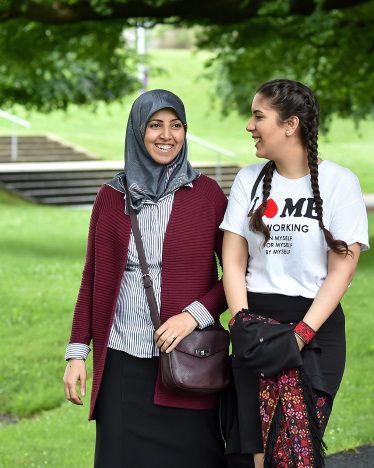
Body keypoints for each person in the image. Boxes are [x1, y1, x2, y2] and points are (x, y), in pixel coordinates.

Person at [62, 89, 229, 466]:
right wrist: (77, 354)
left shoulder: (206, 195)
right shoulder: (111, 196)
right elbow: (92, 279)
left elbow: (237, 274)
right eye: (155, 125)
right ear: (138, 130)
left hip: (189, 359)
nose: (166, 135)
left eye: (176, 125)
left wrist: (194, 316)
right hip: (123, 362)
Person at [220, 79, 369, 467]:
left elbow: (342, 268)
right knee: (253, 451)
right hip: (256, 331)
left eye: (258, 116)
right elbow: (233, 257)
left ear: (291, 124)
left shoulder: (340, 183)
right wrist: (241, 322)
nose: (250, 126)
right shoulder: (247, 180)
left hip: (314, 335)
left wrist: (300, 336)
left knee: (291, 455)